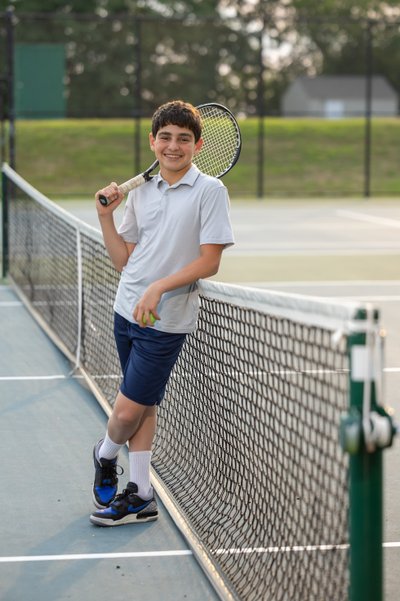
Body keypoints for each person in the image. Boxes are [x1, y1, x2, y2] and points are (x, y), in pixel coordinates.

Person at [90, 100, 234, 526]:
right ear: (153, 142)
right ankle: (142, 494)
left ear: (198, 145)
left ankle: (103, 454)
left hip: (164, 322)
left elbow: (210, 261)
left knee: (127, 412)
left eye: (183, 139)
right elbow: (124, 260)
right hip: (125, 309)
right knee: (146, 406)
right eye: (166, 137)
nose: (174, 146)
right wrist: (105, 218)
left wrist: (159, 287)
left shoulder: (211, 192)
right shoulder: (141, 192)